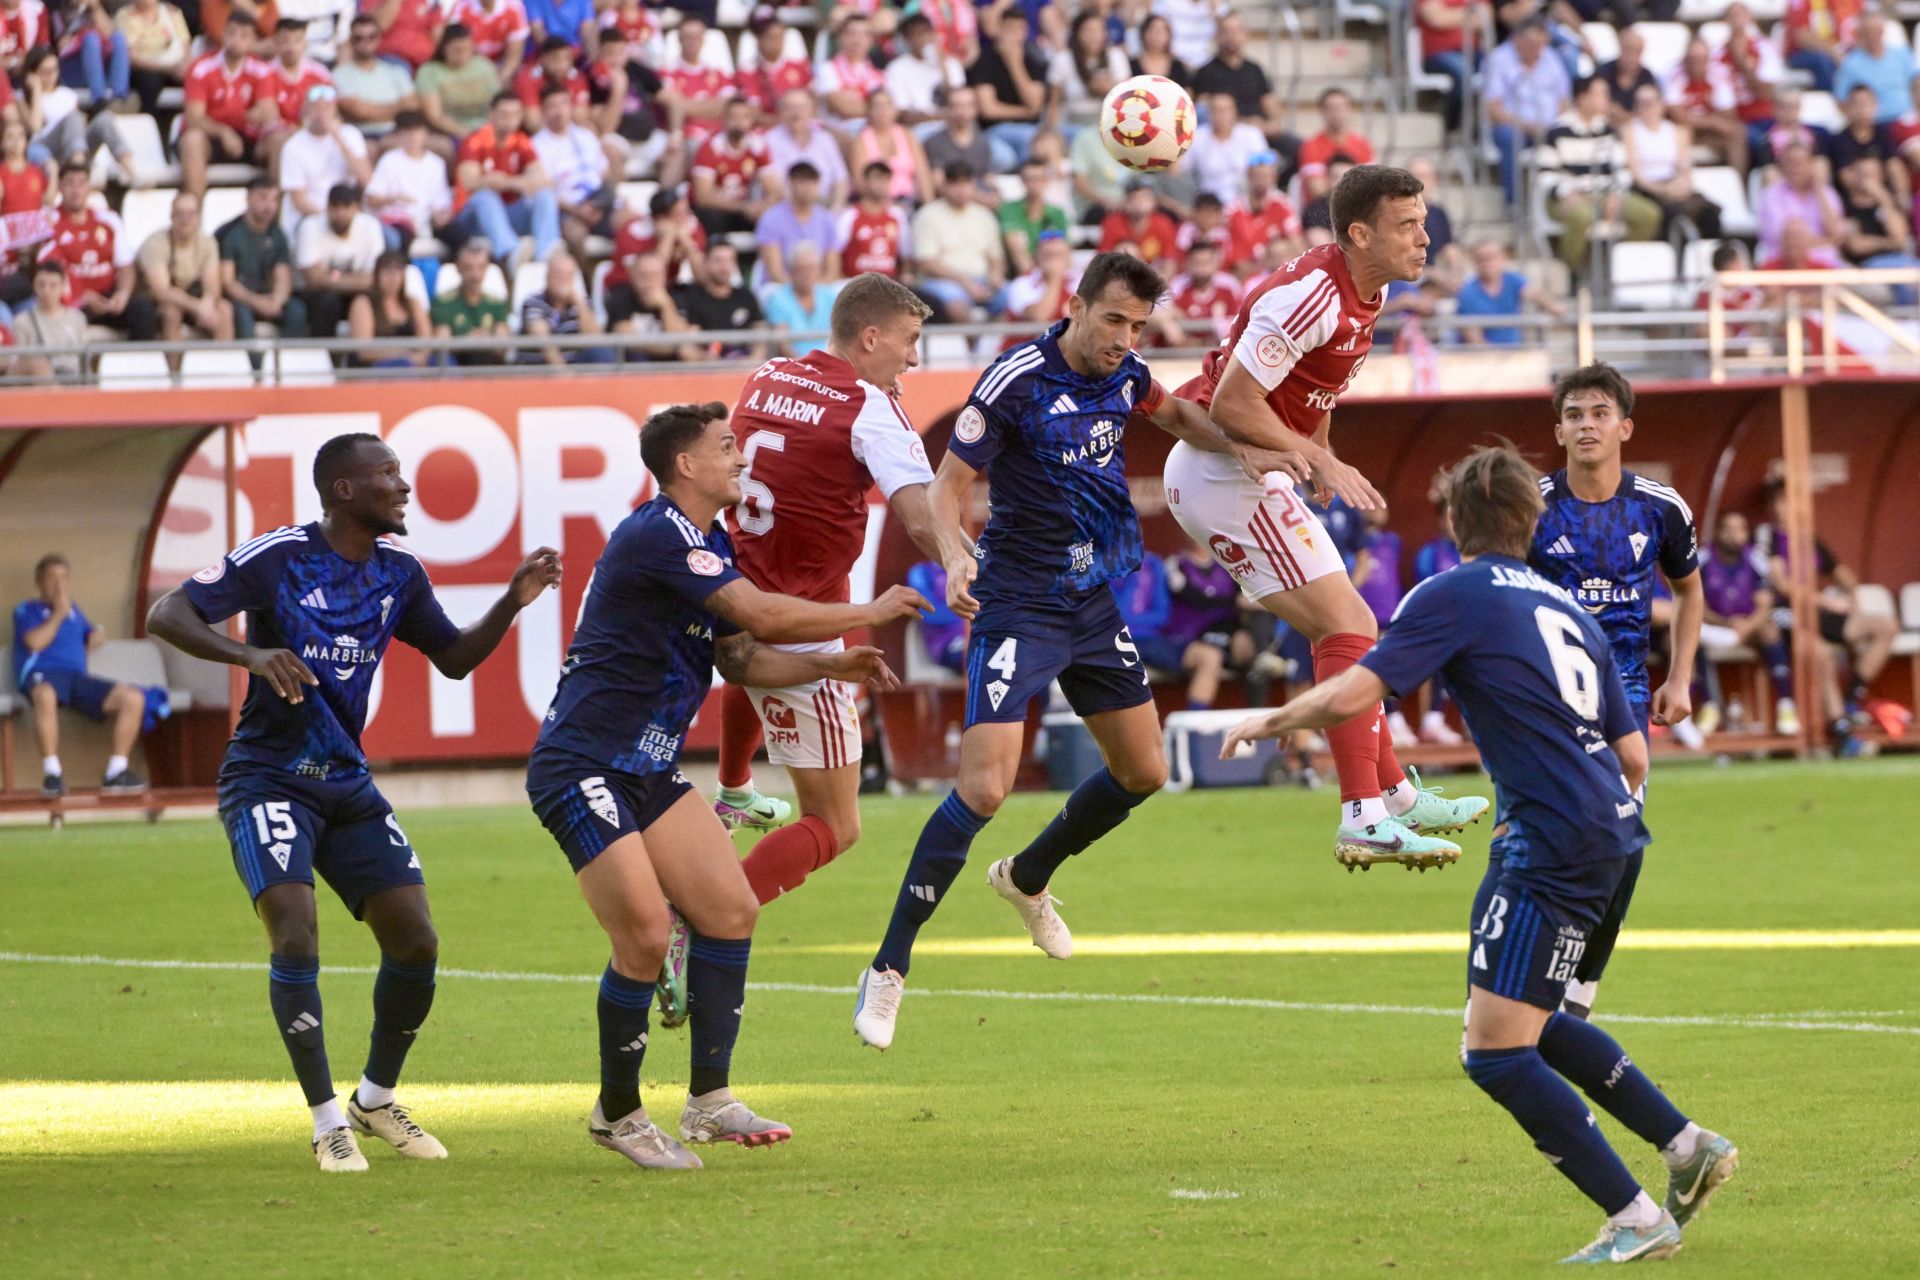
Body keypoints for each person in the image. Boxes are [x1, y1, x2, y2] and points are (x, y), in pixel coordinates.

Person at [1219, 444, 1738, 1266]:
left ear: (1455, 521)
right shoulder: (1568, 609)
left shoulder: (1452, 592)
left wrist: (1271, 720)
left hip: (1550, 842)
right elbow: (1635, 757)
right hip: (1611, 831)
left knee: (1493, 1053)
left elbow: (1359, 690)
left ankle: (1636, 1215)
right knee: (1545, 1021)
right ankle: (1685, 1147)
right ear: (1531, 523)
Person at [852, 252, 1314, 1051]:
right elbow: (947, 482)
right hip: (1019, 604)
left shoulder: (1126, 373)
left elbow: (1177, 417)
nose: (1123, 338)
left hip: (1093, 601)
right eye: (1113, 320)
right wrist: (959, 556)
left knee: (1145, 772)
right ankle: (888, 969)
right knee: (985, 789)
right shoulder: (1014, 379)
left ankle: (1027, 877)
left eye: (1137, 325)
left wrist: (1248, 453)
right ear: (1075, 305)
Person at [146, 432, 562, 1172]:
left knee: (417, 942)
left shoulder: (399, 572)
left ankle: (374, 1098)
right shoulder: (278, 555)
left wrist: (512, 601)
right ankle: (325, 1120)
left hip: (346, 781)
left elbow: (455, 659)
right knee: (296, 935)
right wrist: (249, 655)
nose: (404, 487)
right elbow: (168, 614)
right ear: (344, 490)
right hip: (268, 778)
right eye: (389, 475)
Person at [523, 401, 924, 1167]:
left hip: (644, 764)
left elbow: (738, 659)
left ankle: (708, 1101)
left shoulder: (705, 540)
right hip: (583, 764)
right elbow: (757, 614)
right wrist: (866, 613)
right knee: (643, 936)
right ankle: (619, 1114)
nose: (743, 458)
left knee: (730, 909)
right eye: (728, 446)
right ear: (687, 465)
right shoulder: (658, 533)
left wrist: (830, 664)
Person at [1165, 164, 1490, 868]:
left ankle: (1394, 796)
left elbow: (1313, 393)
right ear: (1359, 233)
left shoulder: (1362, 293)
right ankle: (1364, 814)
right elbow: (1232, 404)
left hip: (1254, 472)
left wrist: (1316, 449)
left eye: (1422, 221)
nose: (1424, 238)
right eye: (1407, 225)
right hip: (1223, 474)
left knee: (1352, 628)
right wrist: (1320, 463)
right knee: (1349, 625)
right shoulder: (1314, 295)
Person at [708, 274, 948, 865]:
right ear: (870, 338)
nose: (914, 358)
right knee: (836, 825)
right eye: (909, 340)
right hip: (806, 618)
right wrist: (979, 569)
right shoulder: (870, 407)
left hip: (733, 592)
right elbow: (923, 521)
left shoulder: (766, 375)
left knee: (743, 668)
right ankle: (704, 915)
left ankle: (734, 788)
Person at [1526, 362, 1702, 1020]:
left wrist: (1680, 676)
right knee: (1534, 843)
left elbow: (1689, 591)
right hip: (1545, 700)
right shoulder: (1533, 506)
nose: (1586, 425)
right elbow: (1496, 593)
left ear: (1624, 426)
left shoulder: (1659, 508)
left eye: (1599, 413)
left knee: (1622, 846)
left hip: (1625, 697)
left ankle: (1579, 990)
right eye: (1574, 415)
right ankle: (1505, 986)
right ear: (1559, 430)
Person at [1759, 477, 1907, 740]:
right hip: (1785, 614)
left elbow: (1841, 573)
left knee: (1886, 625)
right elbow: (1781, 585)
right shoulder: (1767, 537)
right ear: (1772, 506)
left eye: (1790, 501)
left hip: (1817, 613)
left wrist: (1853, 596)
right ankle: (1839, 727)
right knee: (1823, 654)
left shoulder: (1808, 540)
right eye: (1780, 502)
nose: (1785, 508)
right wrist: (1825, 600)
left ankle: (1853, 697)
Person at [13, 552, 154, 795]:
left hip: (77, 678)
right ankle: (52, 774)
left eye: (63, 578)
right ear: (40, 583)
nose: (59, 585)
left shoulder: (75, 610)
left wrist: (94, 636)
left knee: (133, 697)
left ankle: (116, 772)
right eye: (52, 578)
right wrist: (58, 613)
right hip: (43, 675)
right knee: (45, 694)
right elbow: (35, 642)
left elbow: (91, 634)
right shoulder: (28, 609)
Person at [1539, 75, 1661, 274]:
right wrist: (1565, 192)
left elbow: (1621, 171)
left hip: (1604, 194)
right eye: (1600, 93)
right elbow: (1545, 174)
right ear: (1582, 98)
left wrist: (1616, 194)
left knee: (1649, 215)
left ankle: (1617, 269)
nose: (1606, 98)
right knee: (1581, 217)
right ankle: (1573, 271)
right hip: (1568, 196)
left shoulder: (1608, 130)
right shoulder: (1557, 131)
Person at [1699, 510, 1798, 734]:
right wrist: (1725, 623)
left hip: (1749, 626)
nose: (1737, 535)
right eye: (1730, 529)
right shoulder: (1701, 559)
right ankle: (1709, 705)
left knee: (1770, 630)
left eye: (1741, 529)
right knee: (1687, 637)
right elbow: (1694, 604)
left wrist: (1747, 626)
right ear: (1718, 532)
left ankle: (1786, 704)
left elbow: (1765, 603)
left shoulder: (1756, 559)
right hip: (1714, 625)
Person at [40, 161, 157, 340]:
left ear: (90, 188)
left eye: (81, 183)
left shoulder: (108, 219)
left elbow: (125, 264)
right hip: (73, 301)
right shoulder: (49, 222)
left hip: (107, 296)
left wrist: (123, 293)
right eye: (70, 183)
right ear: (61, 187)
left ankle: (136, 365)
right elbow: (50, 271)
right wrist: (82, 298)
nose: (76, 190)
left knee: (143, 310)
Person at [449, 91, 560, 264]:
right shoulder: (475, 140)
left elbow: (541, 179)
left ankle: (546, 252)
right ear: (491, 114)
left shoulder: (522, 141)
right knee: (485, 196)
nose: (510, 120)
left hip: (507, 215)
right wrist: (514, 183)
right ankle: (510, 252)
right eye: (504, 114)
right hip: (472, 219)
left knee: (545, 195)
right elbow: (470, 182)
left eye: (515, 114)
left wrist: (503, 181)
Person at [178, 14, 275, 199]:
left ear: (253, 40)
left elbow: (269, 112)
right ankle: (194, 213)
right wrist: (224, 132)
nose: (237, 40)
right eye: (232, 33)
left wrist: (261, 114)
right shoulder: (201, 67)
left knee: (278, 140)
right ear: (223, 35)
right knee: (193, 139)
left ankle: (277, 215)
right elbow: (194, 117)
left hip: (248, 137)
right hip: (211, 138)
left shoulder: (262, 70)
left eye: (244, 35)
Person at [1485, 17, 1572, 207]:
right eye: (1532, 44)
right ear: (1517, 39)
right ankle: (1514, 204)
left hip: (1550, 125)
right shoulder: (1499, 59)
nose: (1537, 49)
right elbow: (1492, 107)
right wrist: (1527, 126)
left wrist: (1558, 124)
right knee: (1509, 138)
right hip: (1516, 126)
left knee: (1572, 134)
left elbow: (1564, 100)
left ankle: (1561, 201)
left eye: (1541, 44)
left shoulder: (1550, 57)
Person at [140, 189, 236, 359]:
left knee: (224, 309)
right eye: (180, 214)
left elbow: (212, 285)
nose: (185, 220)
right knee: (171, 313)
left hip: (191, 298)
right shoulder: (155, 243)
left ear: (199, 217)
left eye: (191, 214)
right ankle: (175, 377)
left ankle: (223, 370)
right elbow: (162, 291)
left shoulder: (207, 242)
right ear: (171, 216)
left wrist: (207, 304)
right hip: (157, 304)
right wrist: (198, 307)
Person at [1626, 82, 1722, 241]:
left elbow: (1685, 166)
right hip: (1647, 187)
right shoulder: (1631, 130)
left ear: (1661, 104)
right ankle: (1677, 260)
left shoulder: (1677, 131)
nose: (1648, 108)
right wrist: (1662, 189)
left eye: (1651, 102)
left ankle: (1709, 255)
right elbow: (1636, 173)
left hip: (1673, 182)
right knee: (1672, 214)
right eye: (1642, 103)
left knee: (1709, 212)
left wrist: (1681, 184)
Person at [911, 160, 1004, 322]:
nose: (961, 190)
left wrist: (996, 275)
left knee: (1013, 299)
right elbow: (927, 264)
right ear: (944, 186)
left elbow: (996, 257)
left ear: (973, 185)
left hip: (982, 279)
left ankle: (998, 345)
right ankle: (974, 347)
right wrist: (965, 283)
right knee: (957, 305)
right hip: (943, 281)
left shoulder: (984, 215)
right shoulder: (928, 215)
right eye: (955, 184)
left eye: (966, 183)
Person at [22, 43, 132, 177]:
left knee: (104, 119)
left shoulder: (68, 95)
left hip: (75, 146)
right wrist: (36, 91)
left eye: (54, 70)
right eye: (45, 72)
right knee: (72, 118)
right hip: (47, 150)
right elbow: (35, 127)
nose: (51, 76)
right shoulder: (22, 98)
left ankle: (132, 172)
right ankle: (78, 171)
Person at [278, 86, 374, 237]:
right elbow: (299, 201)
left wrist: (338, 137)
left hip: (347, 216)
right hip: (311, 218)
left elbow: (366, 179)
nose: (321, 113)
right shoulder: (294, 146)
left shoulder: (350, 135)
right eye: (316, 107)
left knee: (383, 233)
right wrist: (331, 217)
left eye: (327, 107)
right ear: (306, 111)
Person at [219, 175, 307, 340]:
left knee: (297, 311)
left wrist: (277, 301)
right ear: (248, 198)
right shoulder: (229, 234)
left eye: (274, 199)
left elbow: (283, 276)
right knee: (241, 315)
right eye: (263, 198)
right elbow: (228, 282)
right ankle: (254, 365)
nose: (269, 206)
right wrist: (257, 302)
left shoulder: (278, 234)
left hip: (268, 298)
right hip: (241, 300)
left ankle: (290, 363)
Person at [296, 182, 383, 339]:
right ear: (327, 208)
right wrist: (358, 278)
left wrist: (330, 277)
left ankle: (363, 358)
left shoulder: (370, 226)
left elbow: (376, 278)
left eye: (346, 206)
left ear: (356, 208)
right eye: (335, 206)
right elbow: (312, 279)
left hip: (356, 294)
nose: (340, 212)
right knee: (327, 302)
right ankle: (323, 357)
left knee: (366, 301)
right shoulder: (310, 226)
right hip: (320, 297)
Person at [967, 7, 1046, 165]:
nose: (1014, 34)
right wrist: (1025, 113)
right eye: (1010, 28)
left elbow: (1035, 103)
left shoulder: (1033, 60)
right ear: (1000, 29)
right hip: (994, 130)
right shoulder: (984, 61)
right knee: (1031, 140)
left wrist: (1014, 64)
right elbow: (988, 109)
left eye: (1020, 29)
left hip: (1031, 127)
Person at [365, 109, 451, 248]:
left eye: (416, 132)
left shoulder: (436, 164)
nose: (412, 138)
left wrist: (441, 216)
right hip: (394, 223)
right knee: (395, 238)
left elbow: (440, 203)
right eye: (407, 133)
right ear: (399, 136)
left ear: (425, 134)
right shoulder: (389, 160)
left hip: (423, 225)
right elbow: (371, 199)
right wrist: (395, 198)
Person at [335, 14, 424, 148]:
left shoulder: (396, 71)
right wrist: (398, 107)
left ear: (379, 39)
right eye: (359, 38)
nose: (366, 42)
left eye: (372, 37)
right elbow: (358, 112)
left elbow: (412, 106)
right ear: (351, 41)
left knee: (442, 146)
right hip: (363, 135)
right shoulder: (340, 74)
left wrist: (372, 110)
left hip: (400, 133)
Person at [1456, 238, 1564, 345]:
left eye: (1491, 257)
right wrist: (1494, 357)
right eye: (1481, 259)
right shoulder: (1468, 292)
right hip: (1483, 356)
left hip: (1513, 350)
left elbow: (1533, 293)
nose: (1487, 263)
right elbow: (1473, 337)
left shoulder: (1513, 280)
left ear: (1503, 258)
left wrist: (1553, 306)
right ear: (1475, 262)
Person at [690, 98, 770, 240]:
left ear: (751, 120)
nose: (739, 122)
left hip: (743, 208)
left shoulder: (757, 145)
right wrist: (743, 207)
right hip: (719, 209)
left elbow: (775, 188)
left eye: (744, 116)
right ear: (724, 119)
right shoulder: (710, 147)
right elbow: (703, 196)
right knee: (711, 215)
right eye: (734, 116)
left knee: (771, 216)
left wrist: (763, 206)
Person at [671, 239, 765, 361]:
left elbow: (761, 334)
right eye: (718, 260)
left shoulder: (746, 297)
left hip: (743, 369)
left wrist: (752, 359)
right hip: (707, 371)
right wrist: (707, 359)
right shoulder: (689, 297)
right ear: (705, 262)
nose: (724, 266)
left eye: (729, 260)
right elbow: (686, 346)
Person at [754, 159, 840, 289]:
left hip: (818, 287)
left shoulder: (827, 219)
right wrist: (802, 290)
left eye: (812, 182)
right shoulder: (772, 218)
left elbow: (832, 270)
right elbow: (774, 272)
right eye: (802, 182)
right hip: (782, 287)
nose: (807, 188)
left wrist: (814, 289)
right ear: (790, 183)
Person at [520, 246, 610, 363]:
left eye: (568, 275)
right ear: (547, 276)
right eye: (558, 274)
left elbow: (596, 339)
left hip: (575, 365)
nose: (562, 280)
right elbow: (543, 341)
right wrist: (563, 374)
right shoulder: (534, 302)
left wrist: (579, 303)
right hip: (540, 367)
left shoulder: (582, 303)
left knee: (602, 352)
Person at [762, 90, 849, 208]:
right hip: (785, 206)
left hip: (825, 204)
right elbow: (772, 184)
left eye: (801, 108)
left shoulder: (824, 138)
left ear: (811, 111)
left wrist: (835, 208)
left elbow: (841, 179)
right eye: (790, 108)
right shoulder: (769, 140)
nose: (796, 113)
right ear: (780, 112)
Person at [429, 235, 509, 362]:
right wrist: (468, 340)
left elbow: (503, 345)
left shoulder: (496, 303)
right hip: (459, 363)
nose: (475, 275)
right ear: (458, 268)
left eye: (480, 267)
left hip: (490, 362)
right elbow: (442, 344)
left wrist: (486, 340)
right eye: (469, 268)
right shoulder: (444, 303)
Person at [346, 249, 432, 366]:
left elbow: (426, 340)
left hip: (412, 364)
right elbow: (364, 351)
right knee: (403, 365)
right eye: (387, 271)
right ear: (377, 275)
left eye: (397, 271)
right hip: (376, 368)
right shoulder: (364, 303)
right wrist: (406, 355)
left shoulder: (412, 303)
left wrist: (420, 357)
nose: (393, 277)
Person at [417, 23, 501, 141]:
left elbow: (498, 103)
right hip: (450, 133)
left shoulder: (484, 65)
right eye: (457, 50)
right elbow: (435, 116)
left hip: (488, 129)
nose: (463, 54)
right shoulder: (429, 71)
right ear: (443, 48)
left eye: (467, 49)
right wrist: (468, 135)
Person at [1185, 93, 1268, 208]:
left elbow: (1264, 167)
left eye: (1227, 110)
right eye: (1217, 110)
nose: (1222, 115)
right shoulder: (1197, 137)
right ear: (1209, 113)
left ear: (1235, 111)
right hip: (1210, 205)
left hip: (1246, 203)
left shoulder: (1251, 134)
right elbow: (1179, 170)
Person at [9, 259, 87, 381]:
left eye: (53, 285)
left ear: (62, 287)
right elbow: (19, 362)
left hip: (73, 380)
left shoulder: (77, 318)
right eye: (41, 284)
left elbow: (84, 359)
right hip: (40, 383)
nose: (46, 291)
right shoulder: (22, 321)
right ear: (34, 285)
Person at [852, 89, 931, 207]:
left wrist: (928, 206)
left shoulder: (907, 135)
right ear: (869, 111)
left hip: (908, 201)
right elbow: (860, 181)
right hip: (876, 205)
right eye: (877, 106)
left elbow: (923, 174)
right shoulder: (861, 141)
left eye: (887, 105)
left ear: (895, 110)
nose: (882, 110)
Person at [838, 160, 913, 281]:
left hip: (889, 284)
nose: (881, 184)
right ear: (865, 182)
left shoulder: (897, 216)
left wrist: (906, 274)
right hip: (854, 282)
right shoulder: (850, 215)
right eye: (876, 179)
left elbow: (906, 255)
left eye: (885, 179)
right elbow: (836, 252)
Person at [761, 240, 840, 356]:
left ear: (819, 270)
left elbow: (839, 339)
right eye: (801, 269)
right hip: (794, 365)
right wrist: (803, 367)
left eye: (812, 268)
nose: (807, 274)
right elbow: (783, 344)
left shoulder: (830, 296)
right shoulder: (778, 298)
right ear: (791, 270)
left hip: (828, 362)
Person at [114, 0, 190, 118]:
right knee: (149, 82)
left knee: (194, 80)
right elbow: (131, 57)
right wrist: (166, 68)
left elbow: (185, 45)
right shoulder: (125, 16)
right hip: (144, 67)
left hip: (174, 66)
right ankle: (149, 124)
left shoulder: (172, 13)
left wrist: (183, 66)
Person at [1834, 9, 1911, 125]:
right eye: (1867, 32)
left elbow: (1916, 82)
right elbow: (1841, 101)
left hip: (1906, 120)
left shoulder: (1901, 54)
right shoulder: (1850, 65)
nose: (1873, 37)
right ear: (1859, 35)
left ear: (1883, 32)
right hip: (1874, 125)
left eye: (1877, 32)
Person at [1298, 89, 1378, 198]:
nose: (1336, 113)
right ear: (1322, 111)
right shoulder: (1311, 146)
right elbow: (1316, 189)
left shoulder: (1362, 144)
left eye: (1340, 107)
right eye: (1331, 108)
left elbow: (1371, 185)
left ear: (1350, 109)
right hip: (1324, 208)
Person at [997, 156, 1068, 278]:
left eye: (1039, 179)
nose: (1034, 184)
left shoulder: (1057, 213)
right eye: (1029, 179)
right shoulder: (1008, 209)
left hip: (1051, 276)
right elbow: (1018, 254)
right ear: (1022, 180)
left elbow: (1063, 251)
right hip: (1020, 277)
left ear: (1047, 180)